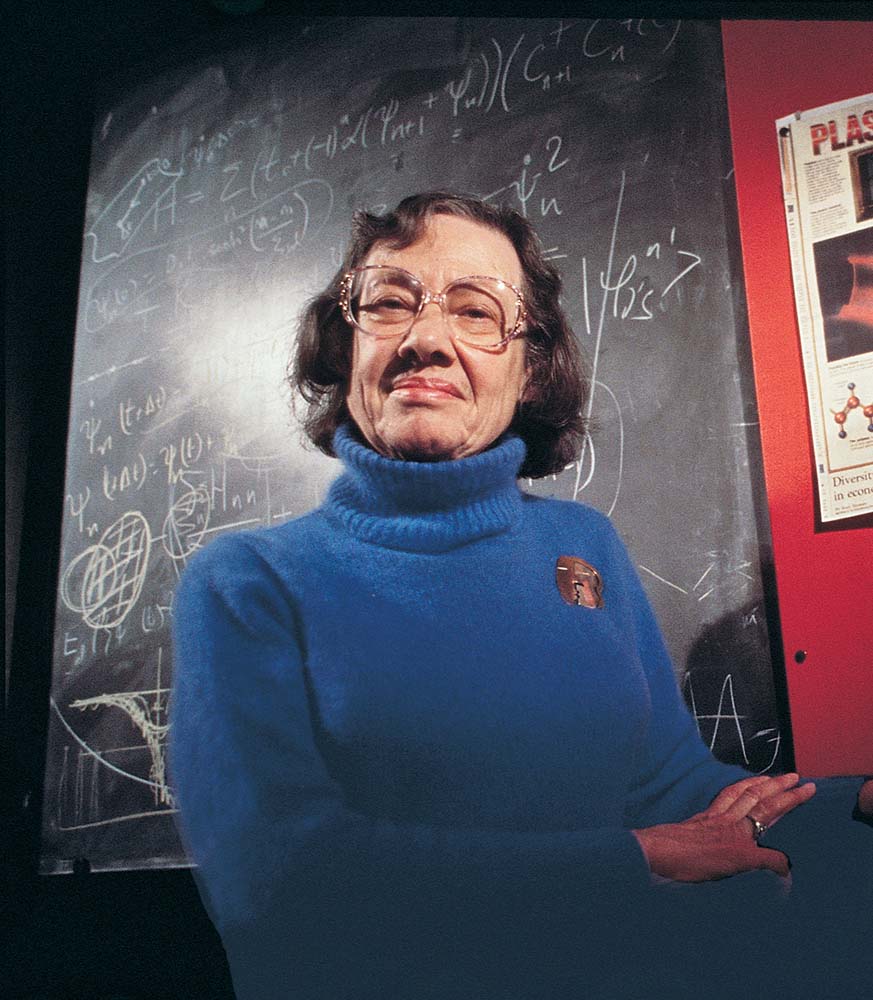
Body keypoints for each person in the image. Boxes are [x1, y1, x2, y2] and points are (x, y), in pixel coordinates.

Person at [170, 192, 871, 1000]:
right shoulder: (247, 581)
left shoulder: (583, 548)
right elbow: (278, 882)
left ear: (529, 364)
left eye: (475, 311)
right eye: (389, 302)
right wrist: (636, 861)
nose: (425, 339)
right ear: (344, 343)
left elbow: (670, 789)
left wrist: (851, 802)